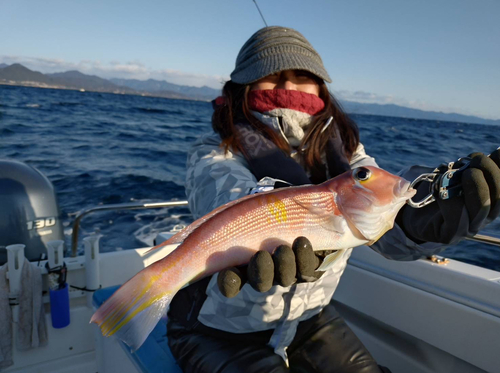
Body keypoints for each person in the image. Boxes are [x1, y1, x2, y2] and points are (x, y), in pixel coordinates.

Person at [166, 26, 500, 373]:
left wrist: (423, 220)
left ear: (321, 86)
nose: (288, 87)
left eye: (301, 76)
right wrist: (271, 236)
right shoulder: (216, 150)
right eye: (271, 75)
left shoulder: (347, 150)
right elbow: (229, 201)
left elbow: (385, 227)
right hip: (218, 328)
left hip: (309, 318)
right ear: (243, 86)